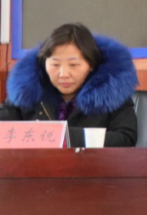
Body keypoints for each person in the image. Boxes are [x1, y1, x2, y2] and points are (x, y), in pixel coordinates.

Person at [1, 23, 138, 147]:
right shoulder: (26, 89)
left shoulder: (112, 92)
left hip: (92, 165)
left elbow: (126, 139)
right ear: (44, 64)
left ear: (91, 64)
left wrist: (60, 136)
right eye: (55, 65)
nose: (63, 74)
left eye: (73, 65)